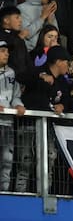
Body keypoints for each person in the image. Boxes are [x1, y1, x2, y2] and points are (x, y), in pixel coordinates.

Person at [0, 39, 26, 192]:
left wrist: (18, 104)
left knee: (7, 161)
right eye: (3, 51)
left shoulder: (11, 73)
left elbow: (15, 94)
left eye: (7, 51)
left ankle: (3, 192)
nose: (6, 54)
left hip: (7, 124)